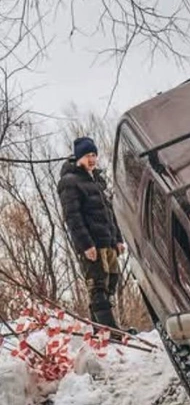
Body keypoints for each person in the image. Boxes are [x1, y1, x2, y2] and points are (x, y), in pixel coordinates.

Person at [58, 136, 125, 330]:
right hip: (91, 244)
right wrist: (86, 245)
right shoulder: (70, 182)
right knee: (97, 287)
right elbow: (72, 217)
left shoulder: (97, 181)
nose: (92, 159)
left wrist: (118, 240)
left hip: (108, 242)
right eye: (88, 155)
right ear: (79, 158)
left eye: (94, 155)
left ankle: (99, 328)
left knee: (112, 280)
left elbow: (109, 212)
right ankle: (111, 332)